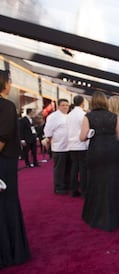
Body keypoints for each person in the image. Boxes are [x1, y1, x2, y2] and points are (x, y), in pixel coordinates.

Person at [80, 91, 119, 231]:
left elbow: (82, 137)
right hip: (112, 150)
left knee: (96, 182)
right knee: (113, 181)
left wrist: (93, 134)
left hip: (96, 149)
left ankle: (95, 215)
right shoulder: (113, 116)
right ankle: (117, 214)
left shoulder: (88, 117)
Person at [0, 69, 31, 269]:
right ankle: (10, 251)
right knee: (6, 205)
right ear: (5, 83)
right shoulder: (6, 106)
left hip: (5, 161)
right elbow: (2, 138)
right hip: (4, 164)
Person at [43, 98, 70, 194]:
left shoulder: (68, 116)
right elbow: (48, 131)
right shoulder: (53, 117)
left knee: (68, 168)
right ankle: (59, 187)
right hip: (59, 147)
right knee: (59, 169)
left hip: (69, 147)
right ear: (58, 106)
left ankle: (67, 184)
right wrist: (49, 141)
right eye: (63, 105)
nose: (65, 107)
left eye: (67, 105)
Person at [66, 95, 88, 197]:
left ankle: (73, 190)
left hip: (71, 144)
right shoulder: (83, 114)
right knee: (83, 169)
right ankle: (84, 190)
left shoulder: (69, 115)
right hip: (82, 144)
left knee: (74, 168)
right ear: (82, 102)